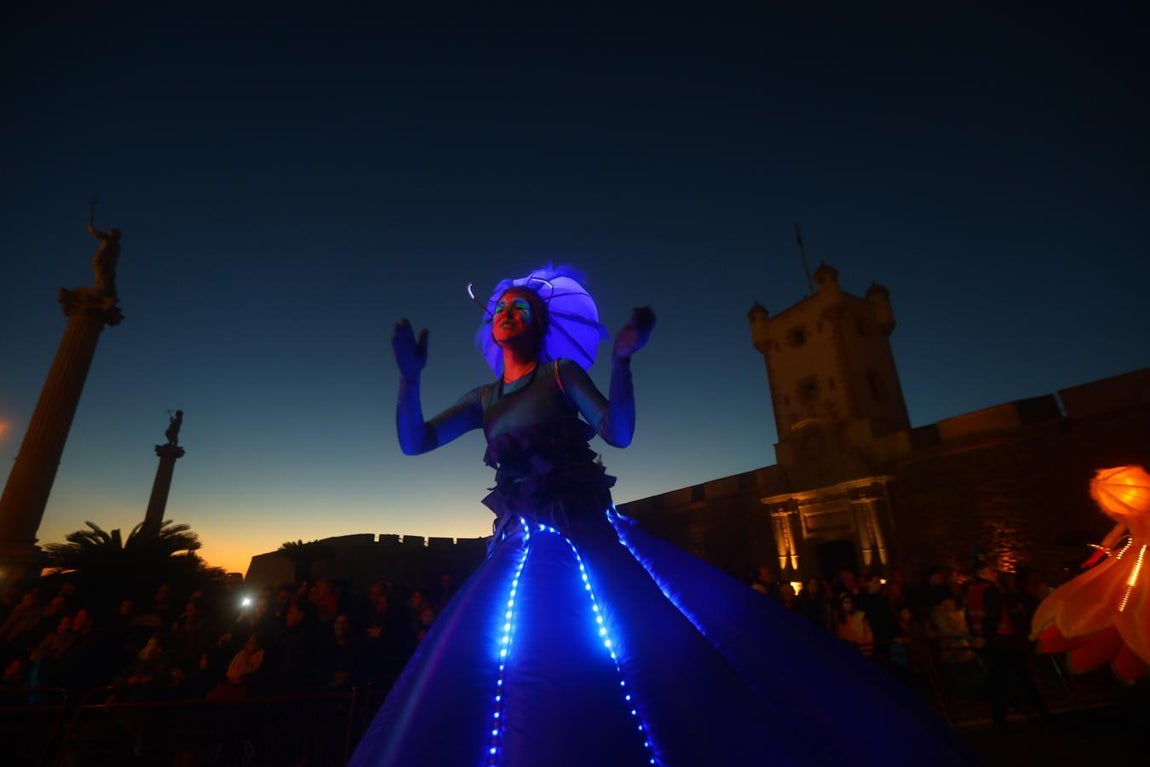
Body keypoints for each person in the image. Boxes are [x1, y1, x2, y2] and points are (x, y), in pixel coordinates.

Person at [349, 265, 973, 767]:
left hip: (584, 537)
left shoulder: (561, 374)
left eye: (520, 307)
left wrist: (622, 363)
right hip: (517, 546)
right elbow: (415, 442)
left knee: (633, 659)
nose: (507, 312)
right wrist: (408, 380)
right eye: (501, 308)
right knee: (504, 672)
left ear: (539, 324)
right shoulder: (483, 398)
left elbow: (616, 432)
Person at [1030, 465, 1150, 684]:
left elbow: (1113, 537)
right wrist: (1096, 556)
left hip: (1137, 556)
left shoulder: (1133, 512)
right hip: (1137, 557)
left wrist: (1097, 556)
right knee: (1122, 597)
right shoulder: (1128, 514)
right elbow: (1113, 536)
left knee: (1125, 597)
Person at [87, 219, 122, 298]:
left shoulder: (109, 239)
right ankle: (110, 295)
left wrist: (90, 227)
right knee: (108, 279)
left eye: (111, 232)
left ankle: (103, 293)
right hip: (109, 265)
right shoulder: (117, 246)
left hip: (101, 261)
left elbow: (96, 234)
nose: (109, 232)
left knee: (100, 277)